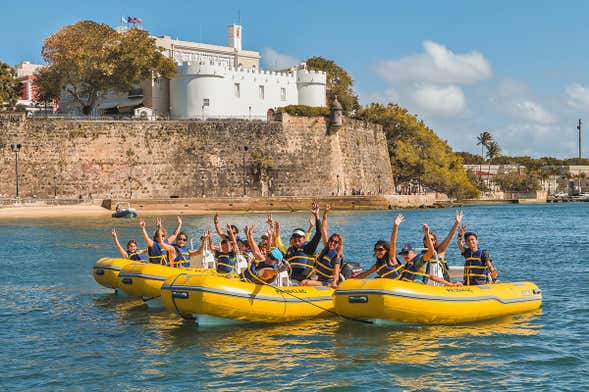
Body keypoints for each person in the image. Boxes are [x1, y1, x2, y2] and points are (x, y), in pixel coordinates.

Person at [355, 213, 405, 279]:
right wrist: (349, 282)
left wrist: (395, 226)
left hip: (402, 286)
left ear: (386, 250)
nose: (378, 252)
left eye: (380, 250)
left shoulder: (391, 258)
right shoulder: (376, 266)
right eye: (376, 250)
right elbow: (364, 274)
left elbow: (393, 241)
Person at [284, 202, 323, 286]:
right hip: (291, 280)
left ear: (304, 238)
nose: (296, 238)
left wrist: (317, 216)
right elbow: (282, 263)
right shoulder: (290, 250)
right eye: (294, 236)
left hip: (305, 282)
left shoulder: (308, 248)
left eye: (299, 236)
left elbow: (319, 233)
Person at [422, 210, 464, 285]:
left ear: (435, 241)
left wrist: (456, 222)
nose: (430, 241)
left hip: (443, 283)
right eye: (427, 239)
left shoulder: (440, 250)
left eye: (432, 239)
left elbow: (449, 236)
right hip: (429, 284)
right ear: (424, 242)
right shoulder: (422, 254)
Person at [313, 205, 343, 288]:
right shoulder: (327, 247)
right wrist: (325, 213)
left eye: (335, 242)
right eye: (331, 240)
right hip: (317, 277)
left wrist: (334, 282)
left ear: (338, 244)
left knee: (305, 282)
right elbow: (324, 229)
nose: (332, 243)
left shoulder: (336, 256)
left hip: (326, 281)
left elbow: (336, 272)